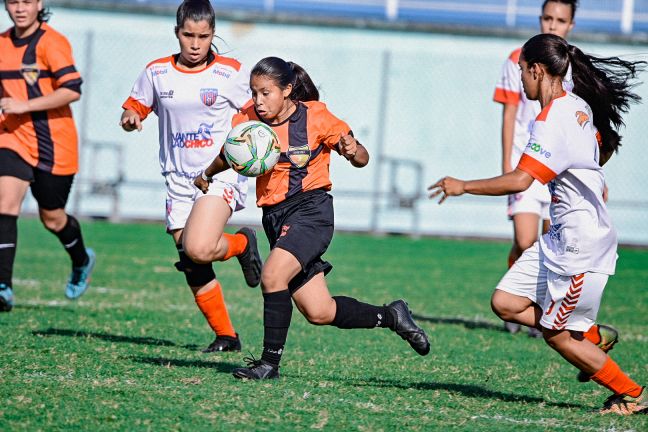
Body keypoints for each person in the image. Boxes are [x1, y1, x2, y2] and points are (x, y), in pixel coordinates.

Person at [429, 34, 647, 414]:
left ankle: (632, 394)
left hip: (580, 244)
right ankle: (593, 335)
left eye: (521, 72)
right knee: (506, 302)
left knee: (557, 336)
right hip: (558, 238)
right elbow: (604, 144)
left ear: (536, 69)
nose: (520, 79)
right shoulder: (576, 104)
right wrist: (590, 176)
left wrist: (462, 185)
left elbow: (520, 180)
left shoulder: (552, 120)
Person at [195, 56, 430, 380]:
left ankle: (268, 365)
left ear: (288, 89)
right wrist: (207, 173)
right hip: (275, 218)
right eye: (254, 93)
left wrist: (351, 149)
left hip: (311, 211)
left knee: (273, 276)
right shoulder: (247, 119)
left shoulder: (316, 116)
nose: (259, 101)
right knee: (320, 311)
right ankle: (392, 316)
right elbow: (230, 153)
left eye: (266, 93)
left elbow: (362, 157)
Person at [119, 0, 261, 353]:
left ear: (213, 33)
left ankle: (242, 244)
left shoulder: (231, 73)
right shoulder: (157, 72)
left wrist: (253, 143)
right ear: (177, 32)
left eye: (204, 36)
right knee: (191, 257)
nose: (196, 44)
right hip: (178, 177)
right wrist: (130, 116)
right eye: (188, 35)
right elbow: (136, 104)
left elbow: (256, 112)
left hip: (219, 173)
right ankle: (227, 336)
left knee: (198, 246)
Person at [0, 0, 95, 312]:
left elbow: (72, 90)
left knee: (52, 219)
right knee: (4, 203)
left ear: (39, 4)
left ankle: (81, 260)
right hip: (12, 137)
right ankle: (3, 287)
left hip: (55, 145)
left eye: (27, 1)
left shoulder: (52, 42)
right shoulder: (1, 43)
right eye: (13, 2)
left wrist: (24, 105)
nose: (20, 8)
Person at [493, 0, 578, 337]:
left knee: (550, 242)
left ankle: (537, 309)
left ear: (570, 25)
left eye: (560, 20)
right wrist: (506, 168)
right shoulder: (518, 59)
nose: (552, 24)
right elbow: (509, 115)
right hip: (524, 166)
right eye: (547, 17)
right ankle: (515, 297)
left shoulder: (574, 65)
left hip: (559, 171)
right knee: (526, 240)